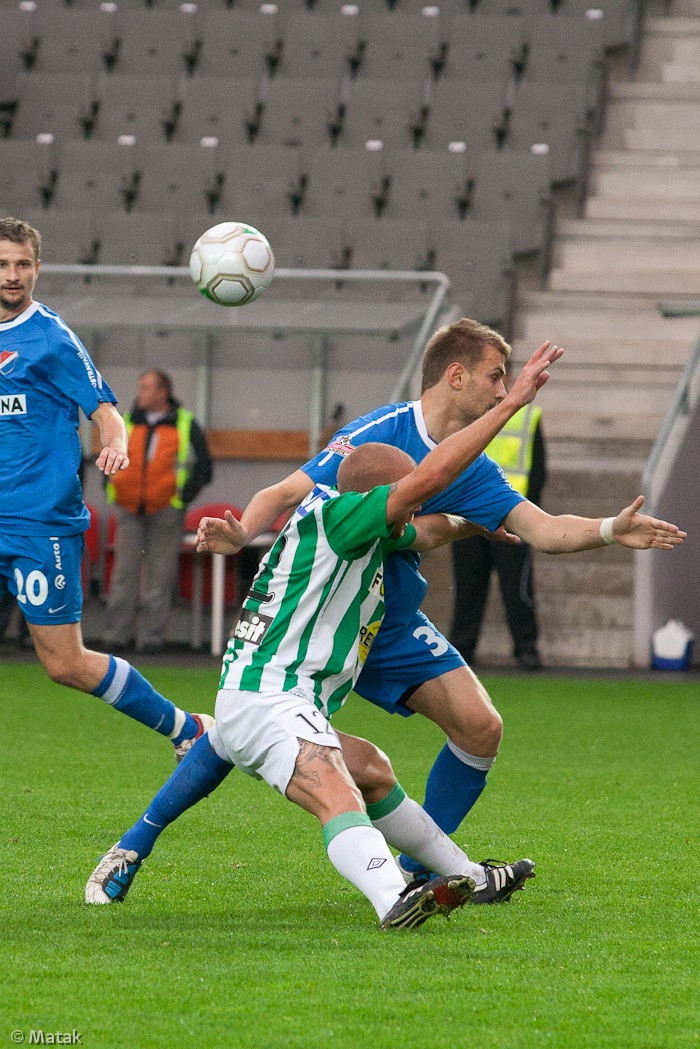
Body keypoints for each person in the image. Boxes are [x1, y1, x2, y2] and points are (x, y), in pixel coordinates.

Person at [86, 319, 685, 894]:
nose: (504, 388)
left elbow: (544, 529)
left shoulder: (473, 466)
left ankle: (419, 872)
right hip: (316, 616)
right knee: (247, 723)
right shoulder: (379, 434)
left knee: (478, 728)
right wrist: (243, 531)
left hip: (386, 621)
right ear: (455, 376)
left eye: (507, 381)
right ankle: (138, 841)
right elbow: (290, 490)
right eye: (496, 376)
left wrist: (611, 527)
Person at [0, 216, 211, 760]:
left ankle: (185, 727)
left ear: (38, 269)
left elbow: (104, 409)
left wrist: (112, 441)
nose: (12, 274)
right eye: (3, 264)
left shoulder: (49, 337)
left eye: (22, 264)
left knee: (65, 664)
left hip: (39, 520)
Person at [103, 369, 213, 654]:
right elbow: (109, 453)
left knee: (160, 576)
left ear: (163, 392)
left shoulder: (185, 423)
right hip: (128, 507)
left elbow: (203, 467)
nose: (141, 393)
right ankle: (116, 636)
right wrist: (111, 487)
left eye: (147, 388)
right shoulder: (126, 421)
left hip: (166, 509)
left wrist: (182, 497)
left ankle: (150, 639)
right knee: (123, 574)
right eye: (140, 387)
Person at [450, 358, 547, 669]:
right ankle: (462, 651)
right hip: (467, 517)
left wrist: (523, 514)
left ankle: (526, 648)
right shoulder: (464, 415)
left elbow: (538, 470)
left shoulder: (528, 416)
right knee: (468, 589)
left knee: (516, 588)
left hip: (510, 516)